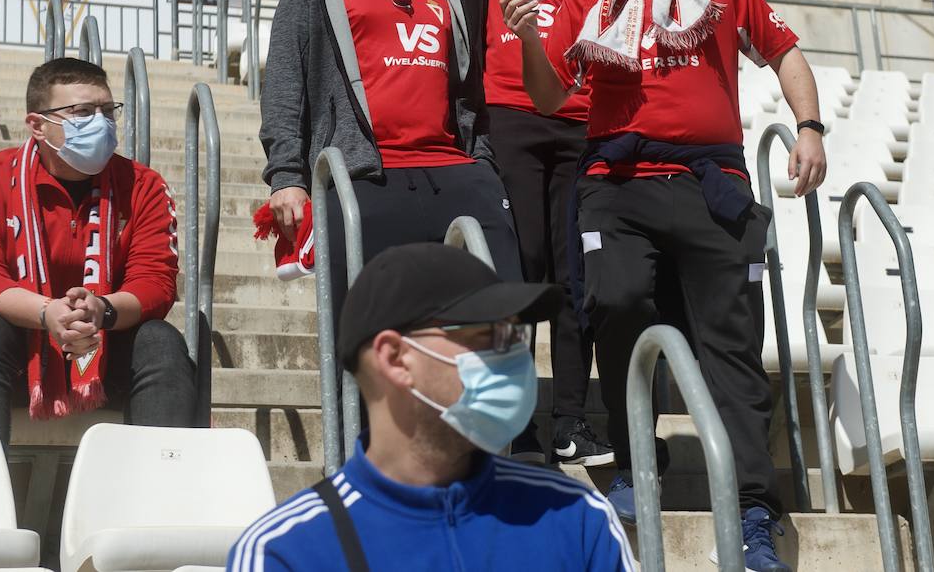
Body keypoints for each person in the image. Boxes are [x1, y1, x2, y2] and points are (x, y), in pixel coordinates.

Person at [501, 0, 827, 572]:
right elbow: (551, 97)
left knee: (732, 350)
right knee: (613, 301)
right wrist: (529, 34)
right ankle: (632, 466)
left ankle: (750, 512)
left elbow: (785, 52)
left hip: (713, 182)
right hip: (617, 181)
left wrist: (809, 127)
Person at [225, 242, 634, 571]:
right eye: (486, 335)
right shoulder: (286, 553)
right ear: (395, 358)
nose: (512, 356)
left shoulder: (577, 517)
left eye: (513, 335)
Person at [259, 0, 522, 318]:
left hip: (456, 175)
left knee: (500, 318)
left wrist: (482, 165)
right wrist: (287, 178)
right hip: (366, 178)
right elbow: (284, 88)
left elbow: (469, 100)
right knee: (372, 335)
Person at [0, 58, 194, 447]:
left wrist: (101, 310)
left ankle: (163, 493)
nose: (100, 123)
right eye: (83, 112)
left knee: (161, 342)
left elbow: (155, 282)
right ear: (37, 125)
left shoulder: (144, 185)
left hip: (102, 348)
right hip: (6, 356)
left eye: (108, 111)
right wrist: (45, 312)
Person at [450, 0, 612, 467]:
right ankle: (515, 426)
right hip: (509, 125)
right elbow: (458, 58)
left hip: (578, 129)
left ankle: (570, 422)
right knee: (523, 273)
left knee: (575, 278)